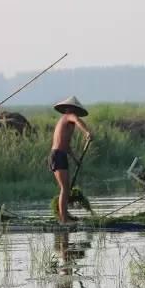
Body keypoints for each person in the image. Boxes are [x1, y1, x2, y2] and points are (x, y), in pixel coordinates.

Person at [48, 96, 93, 224]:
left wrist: (75, 159)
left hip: (61, 154)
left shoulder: (68, 124)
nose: (75, 113)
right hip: (56, 155)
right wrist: (86, 132)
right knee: (65, 188)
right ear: (71, 109)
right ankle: (63, 220)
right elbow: (78, 121)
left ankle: (64, 215)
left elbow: (66, 145)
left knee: (66, 188)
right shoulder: (69, 117)